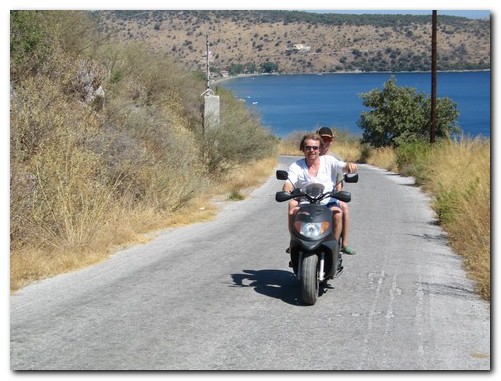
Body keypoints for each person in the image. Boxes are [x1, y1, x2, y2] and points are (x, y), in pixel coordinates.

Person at [283, 133, 358, 244]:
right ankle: (294, 241)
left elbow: (343, 166)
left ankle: (333, 247)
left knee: (338, 213)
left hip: (328, 201)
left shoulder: (329, 161)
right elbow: (289, 182)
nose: (311, 150)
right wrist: (286, 191)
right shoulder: (296, 166)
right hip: (306, 203)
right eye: (308, 147)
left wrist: (350, 166)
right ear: (302, 149)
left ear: (320, 149)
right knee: (292, 211)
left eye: (315, 148)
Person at [316, 127, 356, 255]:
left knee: (343, 207)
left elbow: (339, 180)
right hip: (313, 194)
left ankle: (343, 243)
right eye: (322, 139)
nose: (325, 142)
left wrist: (338, 196)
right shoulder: (312, 153)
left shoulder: (335, 158)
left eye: (327, 139)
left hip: (331, 194)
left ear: (331, 140)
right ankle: (296, 242)